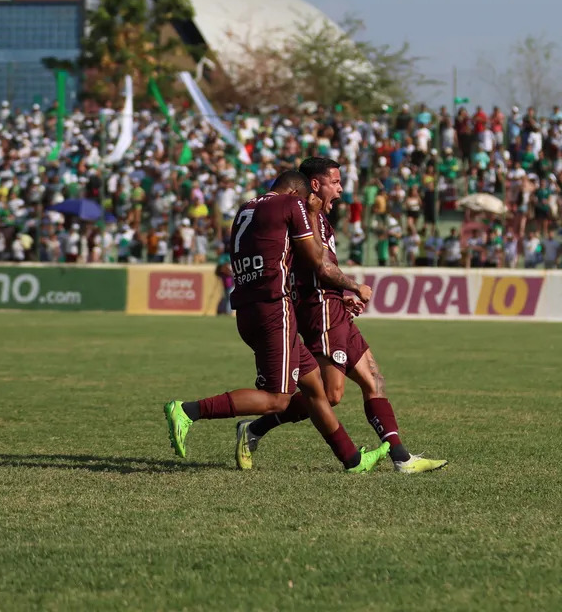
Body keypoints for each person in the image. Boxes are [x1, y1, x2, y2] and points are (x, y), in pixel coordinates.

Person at [163, 170, 388, 473]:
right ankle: (188, 411)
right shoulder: (291, 204)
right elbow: (316, 260)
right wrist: (351, 287)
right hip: (274, 309)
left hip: (248, 308)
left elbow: (278, 255)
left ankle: (352, 459)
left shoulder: (246, 209)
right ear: (296, 193)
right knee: (278, 400)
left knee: (316, 391)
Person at [236, 158, 447, 474]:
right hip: (318, 311)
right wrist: (352, 287)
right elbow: (314, 267)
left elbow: (319, 267)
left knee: (374, 380)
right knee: (330, 395)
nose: (341, 189)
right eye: (335, 182)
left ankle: (402, 459)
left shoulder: (319, 220)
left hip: (332, 307)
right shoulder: (302, 217)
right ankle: (254, 429)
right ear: (316, 185)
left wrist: (342, 295)